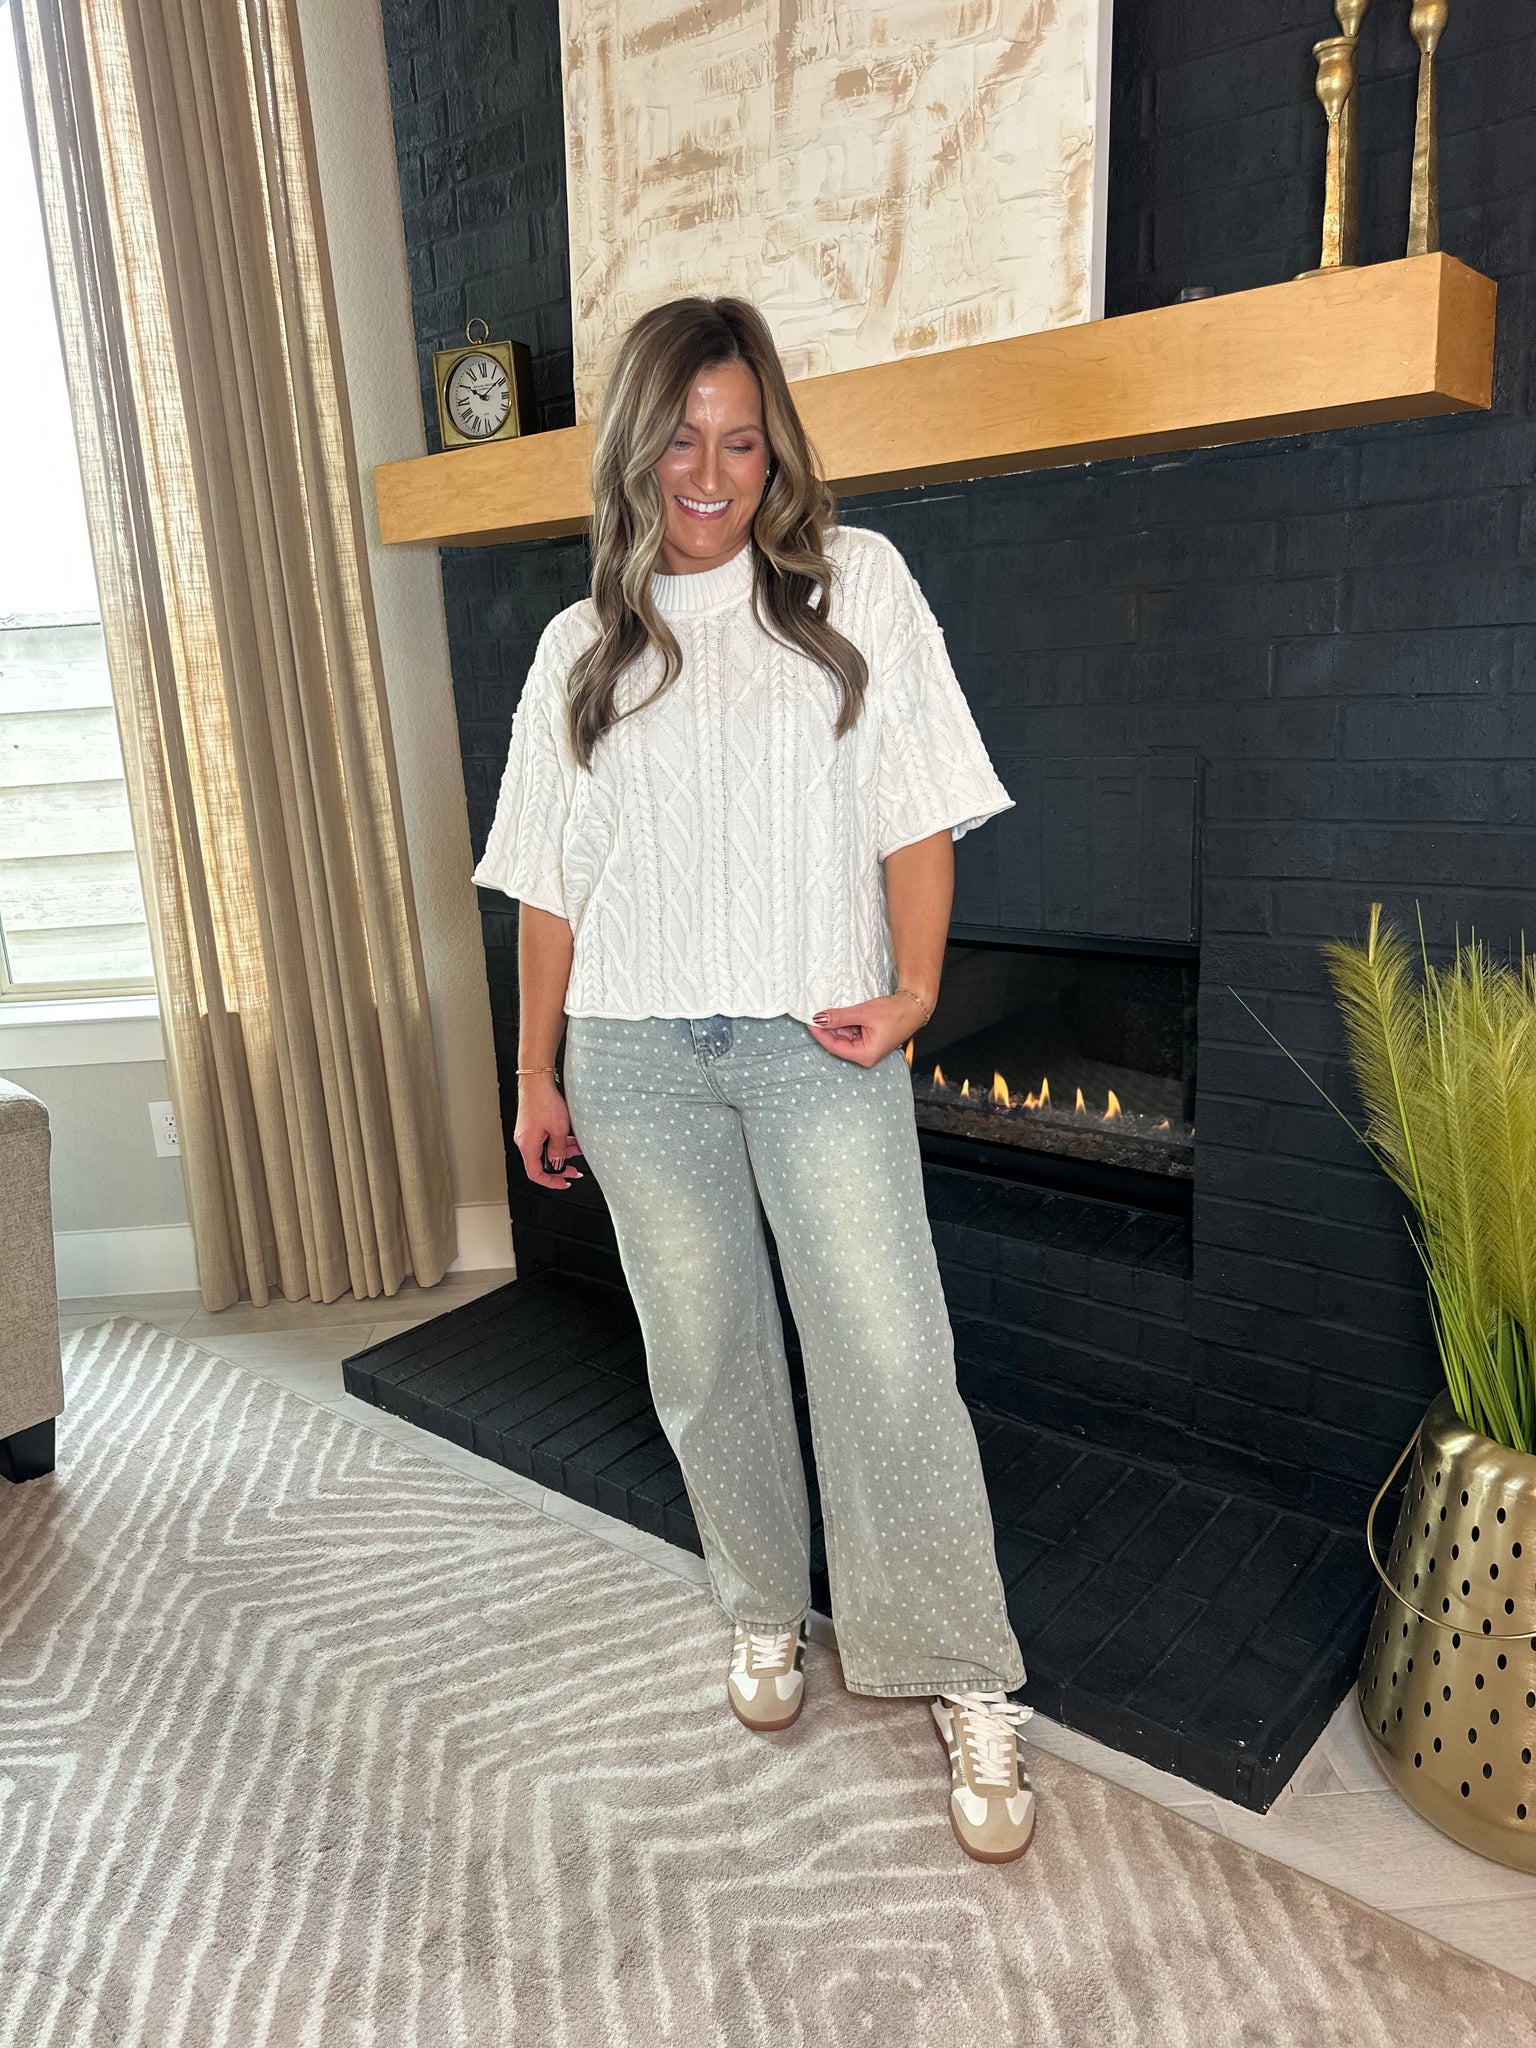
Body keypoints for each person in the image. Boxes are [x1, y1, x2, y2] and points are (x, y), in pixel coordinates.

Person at [472, 296, 1034, 1864]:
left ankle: (966, 1670)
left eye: (740, 442)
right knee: (707, 1355)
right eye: (681, 441)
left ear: (773, 449)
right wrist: (534, 1070)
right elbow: (547, 885)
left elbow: (917, 803)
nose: (710, 476)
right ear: (634, 450)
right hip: (633, 1054)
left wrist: (915, 989)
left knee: (889, 1357)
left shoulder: (859, 586)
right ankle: (764, 1604)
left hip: (817, 1040)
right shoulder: (577, 648)